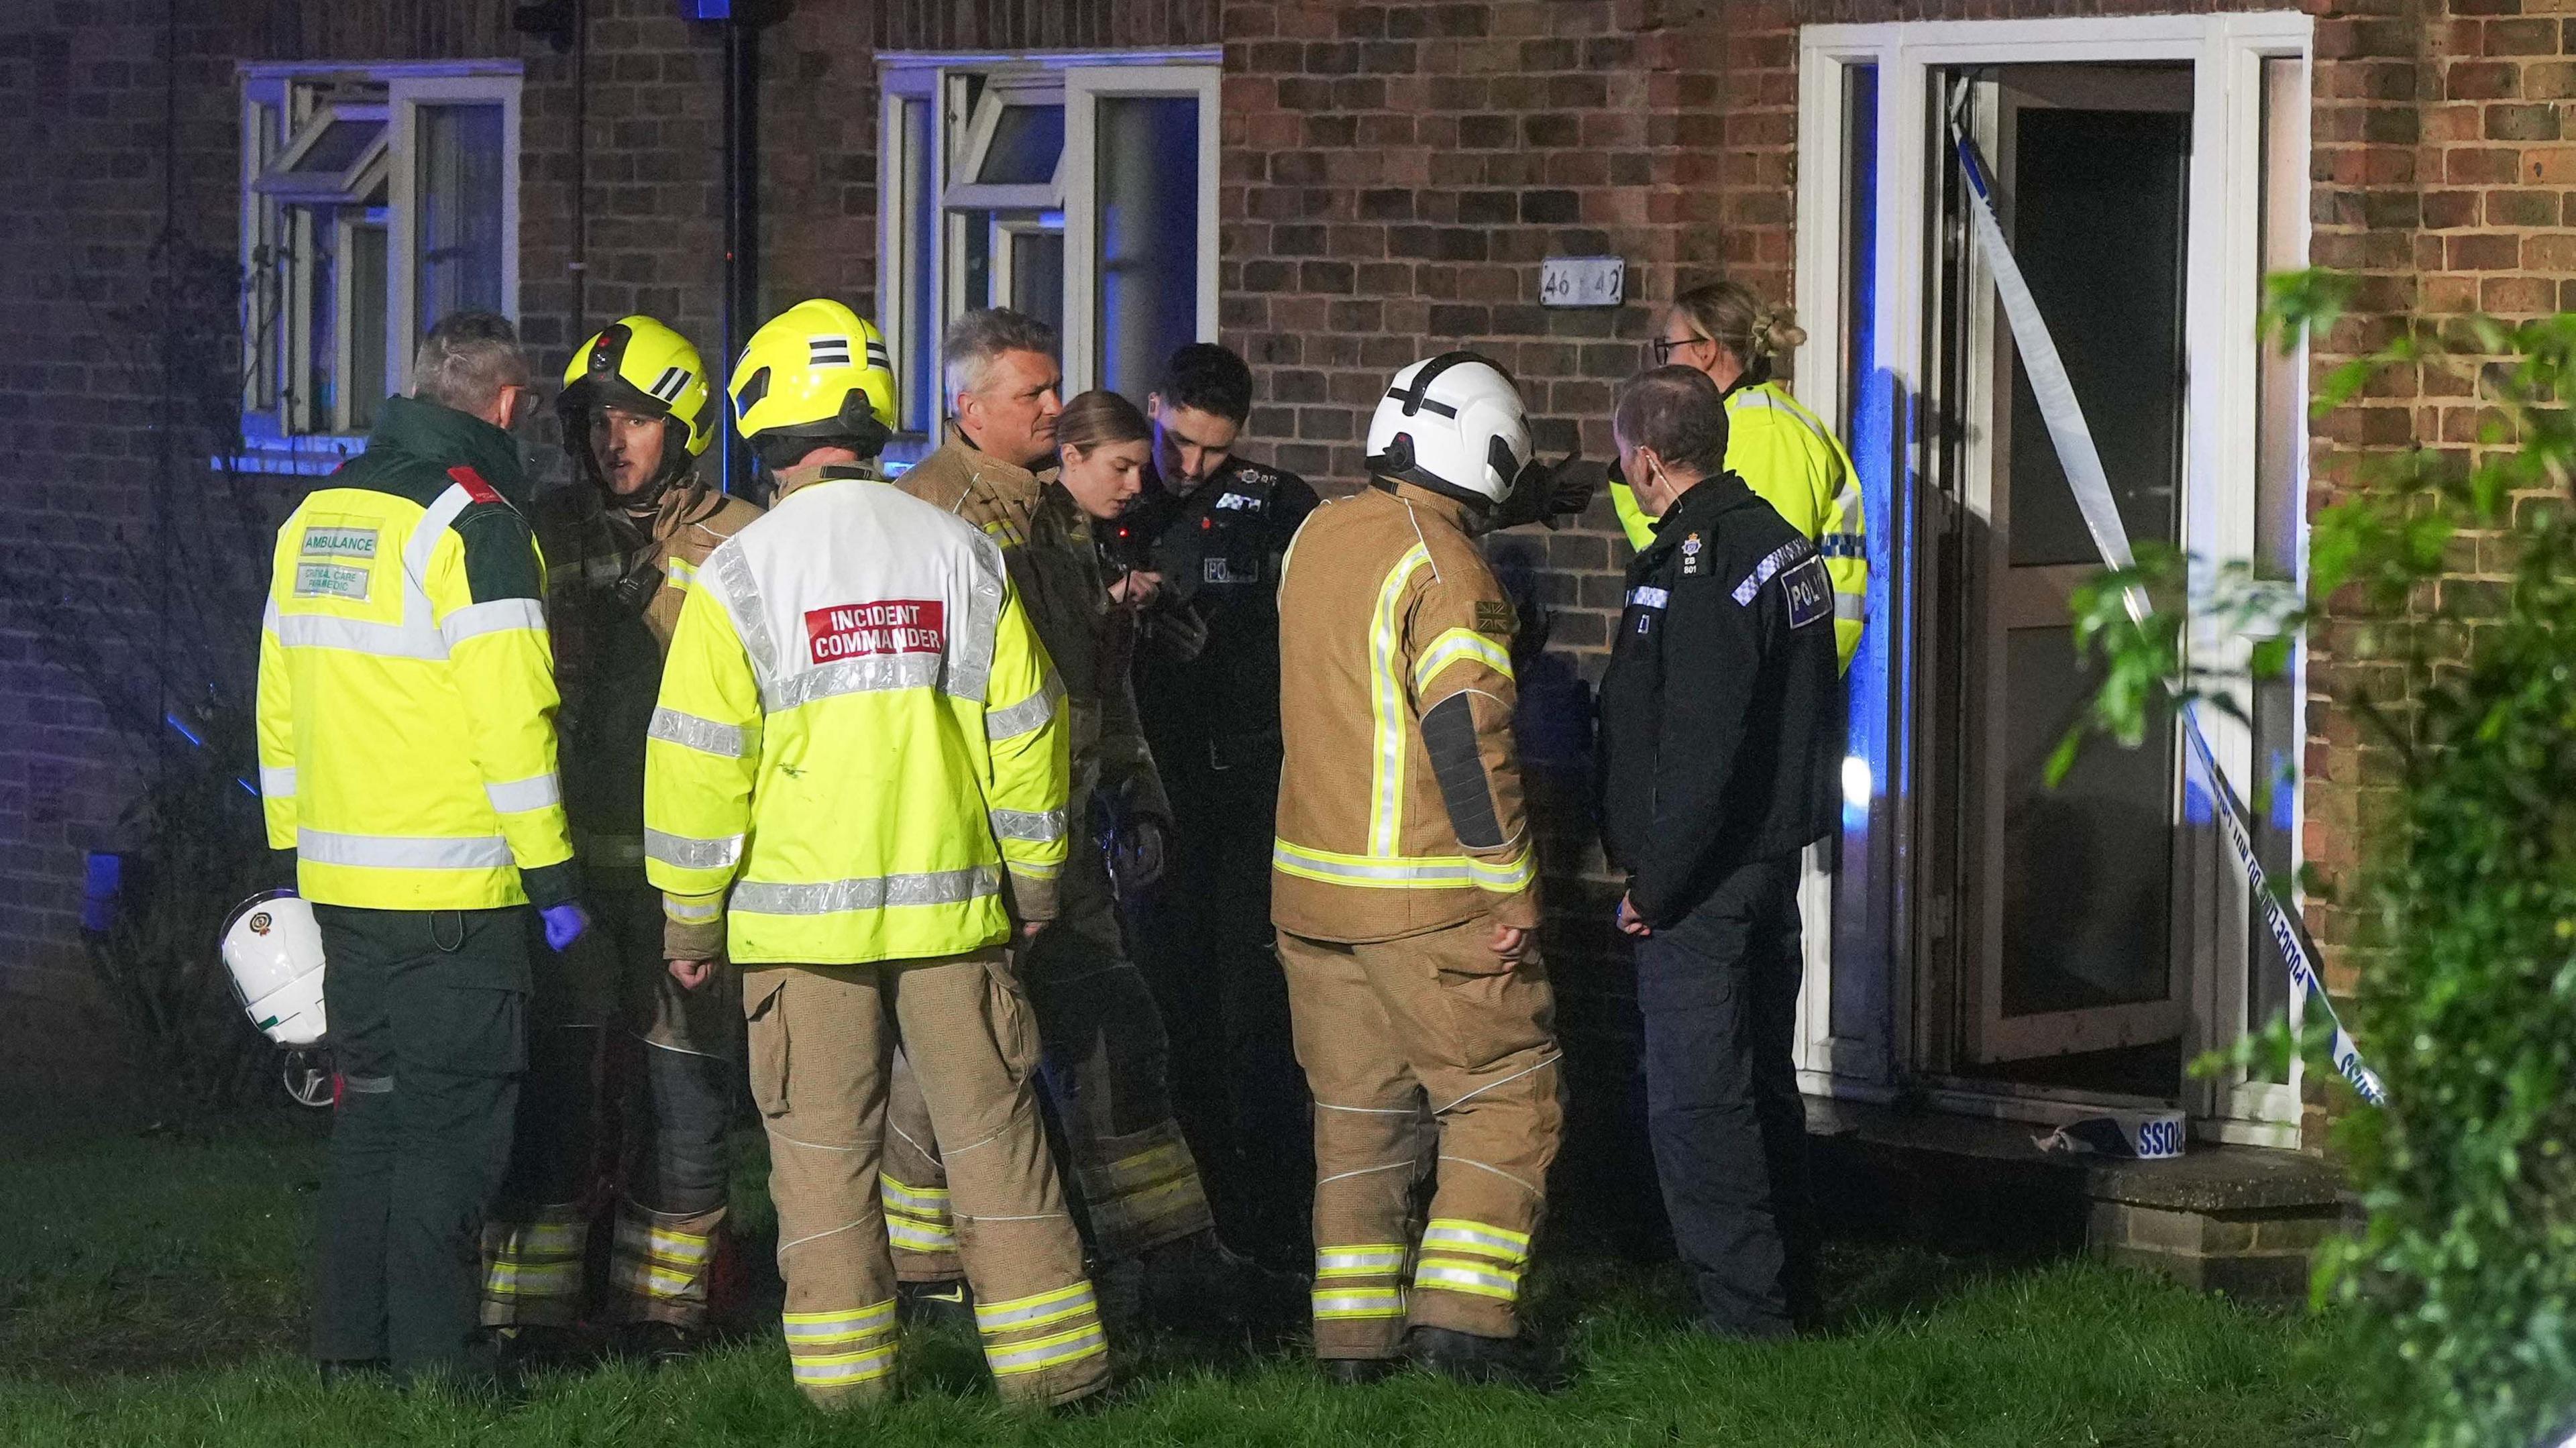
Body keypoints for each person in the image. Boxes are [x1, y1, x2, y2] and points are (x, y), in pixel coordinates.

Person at [645, 297, 1108, 1409]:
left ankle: (848, 1395)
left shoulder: (740, 573)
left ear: (766, 420)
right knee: (996, 1138)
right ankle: (1058, 1375)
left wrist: (690, 917)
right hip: (958, 915)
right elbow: (1027, 732)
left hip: (798, 935)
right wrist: (1037, 881)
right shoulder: (960, 549)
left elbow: (700, 766)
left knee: (820, 1157)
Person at [890, 311, 1283, 1331]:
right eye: (1032, 393)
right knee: (952, 1067)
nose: (1053, 406)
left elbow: (1087, 681)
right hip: (973, 848)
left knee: (1122, 1035)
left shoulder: (1057, 521)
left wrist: (1139, 786)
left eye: (1055, 387)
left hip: (1061, 842)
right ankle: (927, 1277)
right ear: (967, 408)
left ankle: (1171, 1262)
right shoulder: (928, 518)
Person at [257, 311, 590, 1387]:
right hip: (456, 894)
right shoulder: (476, 523)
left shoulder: (318, 513)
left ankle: (353, 1350)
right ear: (503, 404)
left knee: (375, 1118)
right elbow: (515, 724)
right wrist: (555, 880)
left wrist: (294, 847)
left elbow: (278, 700)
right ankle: (443, 1364)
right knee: (453, 1136)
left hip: (341, 887)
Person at [1272, 351, 1566, 1388]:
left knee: (1356, 1118)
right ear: (1487, 453)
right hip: (1428, 894)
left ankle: (1353, 1346)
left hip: (1311, 894)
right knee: (1506, 1095)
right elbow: (1467, 736)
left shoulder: (1319, 535)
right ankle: (1467, 1327)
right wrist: (1509, 884)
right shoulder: (1450, 569)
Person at [478, 317, 760, 1363]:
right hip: (566, 874)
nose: (612, 439)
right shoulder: (540, 530)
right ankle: (528, 1314)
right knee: (554, 1095)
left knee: (685, 1098)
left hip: (688, 876)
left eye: (636, 417)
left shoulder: (740, 538)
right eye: (596, 419)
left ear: (680, 425)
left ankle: (664, 1313)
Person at [1597, 366, 1839, 1341]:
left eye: (1626, 458)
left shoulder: (1699, 564)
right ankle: (1788, 1298)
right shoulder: (1780, 544)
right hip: (1764, 866)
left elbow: (1703, 744)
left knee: (1701, 1103)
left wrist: (1656, 884)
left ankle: (1749, 1322)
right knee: (1760, 1089)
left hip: (1704, 881)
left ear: (1648, 459)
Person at [1119, 343, 1320, 1267]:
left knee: (1254, 1014)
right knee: (1166, 1012)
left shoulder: (1278, 504)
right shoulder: (1114, 489)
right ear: (1154, 404)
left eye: (1213, 450)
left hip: (1249, 797)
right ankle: (1181, 1220)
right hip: (1150, 795)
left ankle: (1273, 1217)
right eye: (1179, 440)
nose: (1190, 464)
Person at [1610, 282, 1870, 672]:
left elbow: (1762, 574)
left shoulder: (1764, 431)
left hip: (1780, 672)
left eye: (1669, 347)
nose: (1662, 364)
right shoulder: (1738, 421)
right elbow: (1676, 546)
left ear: (1706, 350)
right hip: (1773, 666)